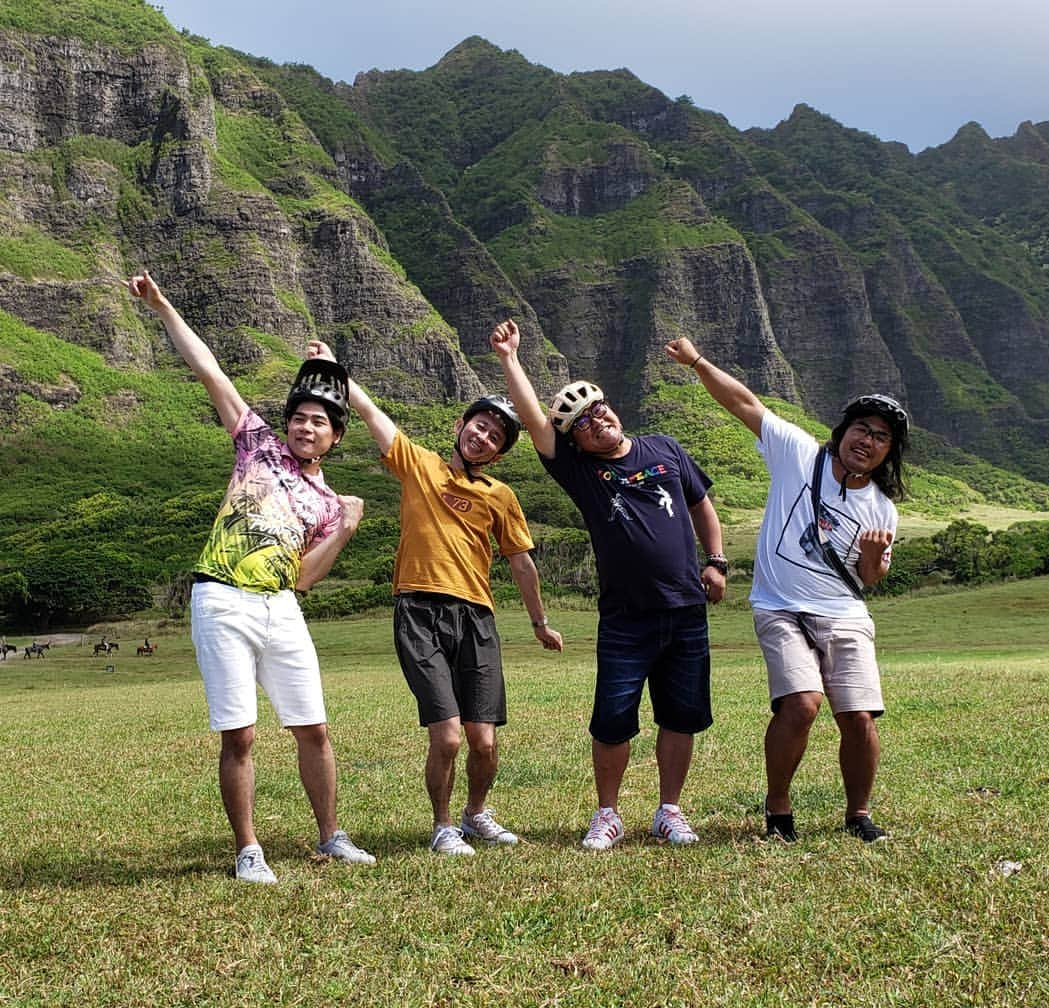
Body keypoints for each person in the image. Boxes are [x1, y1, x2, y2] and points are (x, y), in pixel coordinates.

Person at [129, 271, 375, 883]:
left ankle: (330, 835)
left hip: (279, 607)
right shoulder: (256, 444)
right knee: (240, 735)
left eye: (320, 422)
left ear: (335, 437)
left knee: (313, 728)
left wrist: (344, 527)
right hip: (221, 598)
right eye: (300, 417)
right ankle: (248, 848)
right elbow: (210, 370)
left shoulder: (325, 503)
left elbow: (305, 581)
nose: (305, 426)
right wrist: (163, 307)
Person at [309, 339, 564, 856]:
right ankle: (443, 825)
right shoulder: (419, 465)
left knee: (484, 740)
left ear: (500, 451)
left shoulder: (500, 496)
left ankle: (476, 814)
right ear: (459, 427)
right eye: (479, 425)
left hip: (477, 617)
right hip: (419, 611)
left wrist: (539, 623)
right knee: (447, 736)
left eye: (495, 436)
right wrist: (336, 369)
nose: (484, 436)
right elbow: (372, 414)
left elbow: (520, 562)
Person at [490, 319, 727, 851]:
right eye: (584, 424)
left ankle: (669, 811)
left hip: (686, 610)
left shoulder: (664, 448)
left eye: (600, 411)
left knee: (680, 714)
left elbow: (700, 504)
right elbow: (534, 422)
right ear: (575, 441)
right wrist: (510, 359)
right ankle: (607, 814)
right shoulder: (580, 473)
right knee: (613, 718)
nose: (598, 423)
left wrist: (716, 561)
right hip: (625, 617)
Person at [665, 335, 908, 843]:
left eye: (880, 436)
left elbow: (871, 577)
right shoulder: (799, 453)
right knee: (801, 704)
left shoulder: (883, 507)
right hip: (779, 607)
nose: (866, 440)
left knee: (859, 715)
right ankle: (778, 809)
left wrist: (870, 557)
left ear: (888, 451)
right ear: (843, 431)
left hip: (843, 611)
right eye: (860, 428)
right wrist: (696, 362)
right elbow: (744, 403)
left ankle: (859, 814)